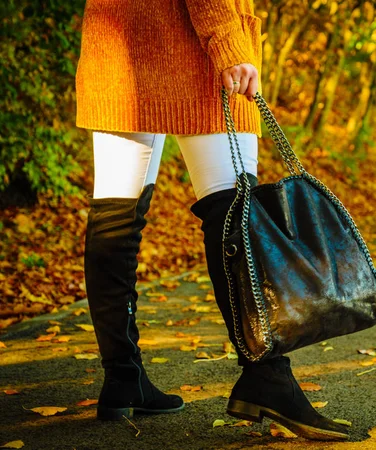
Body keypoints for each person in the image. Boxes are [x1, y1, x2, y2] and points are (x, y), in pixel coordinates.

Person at [75, 0, 348, 441]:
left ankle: (123, 377)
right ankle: (267, 376)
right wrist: (229, 42)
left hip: (118, 47)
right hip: (196, 53)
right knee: (235, 217)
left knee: (116, 217)